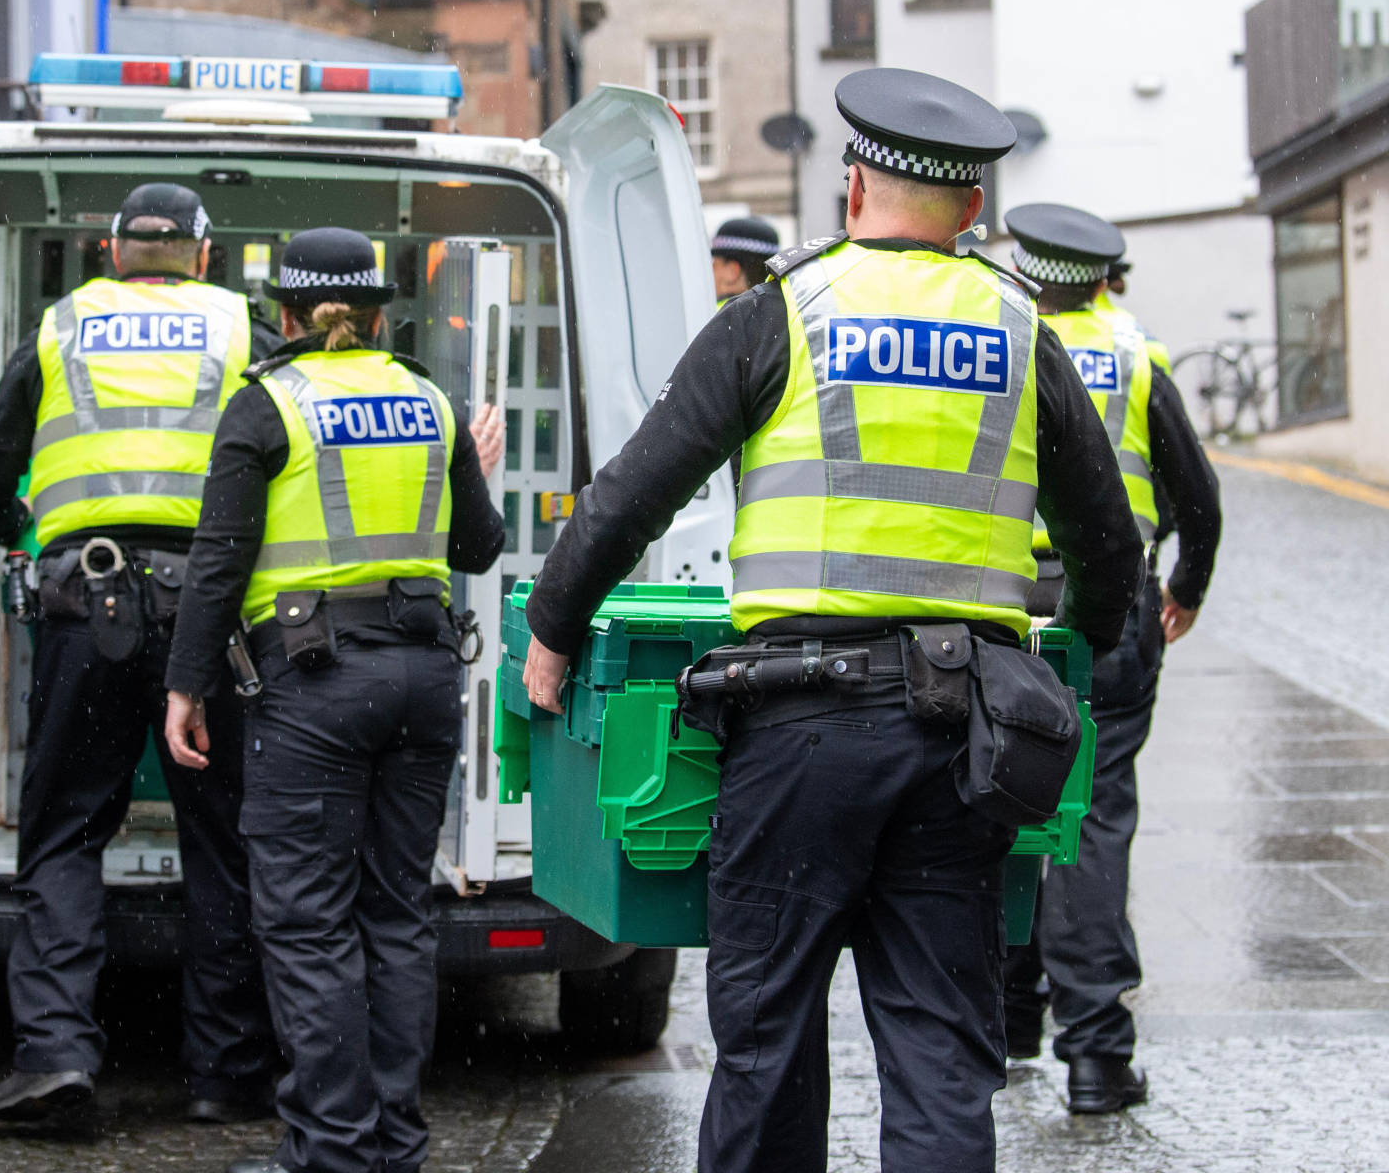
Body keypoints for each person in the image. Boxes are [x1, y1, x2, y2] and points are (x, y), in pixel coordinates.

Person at [518, 67, 1144, 1173]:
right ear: (971, 209)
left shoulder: (780, 313)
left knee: (765, 1043)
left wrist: (555, 626)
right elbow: (1107, 545)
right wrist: (1078, 649)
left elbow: (634, 490)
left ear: (853, 187)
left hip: (796, 729)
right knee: (939, 1052)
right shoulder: (1019, 329)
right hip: (964, 738)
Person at [160, 227, 506, 1173]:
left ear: (283, 314)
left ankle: (333, 1151)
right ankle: (393, 1145)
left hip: (315, 686)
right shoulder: (430, 402)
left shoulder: (265, 403)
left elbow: (218, 562)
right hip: (424, 680)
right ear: (382, 313)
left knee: (309, 926)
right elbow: (477, 549)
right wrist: (469, 467)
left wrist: (186, 686)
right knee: (396, 916)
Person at [0, 183, 278, 1126]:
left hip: (82, 603)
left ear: (110, 251)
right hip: (206, 611)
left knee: (65, 830)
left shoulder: (60, 329)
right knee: (223, 838)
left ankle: (56, 1057)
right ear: (204, 256)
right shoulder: (242, 330)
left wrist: (25, 535)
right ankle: (226, 1073)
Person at [999, 204, 1222, 1113]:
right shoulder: (1135, 356)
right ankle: (1094, 1054)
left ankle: (1007, 1016)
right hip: (1113, 610)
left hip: (1006, 604)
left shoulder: (996, 335)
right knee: (1093, 819)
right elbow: (1197, 497)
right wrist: (1187, 588)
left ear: (1029, 268)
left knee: (998, 797)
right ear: (1102, 277)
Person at [711, 217, 781, 304]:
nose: (711, 272)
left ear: (732, 271)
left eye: (714, 265)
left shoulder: (713, 311)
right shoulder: (781, 306)